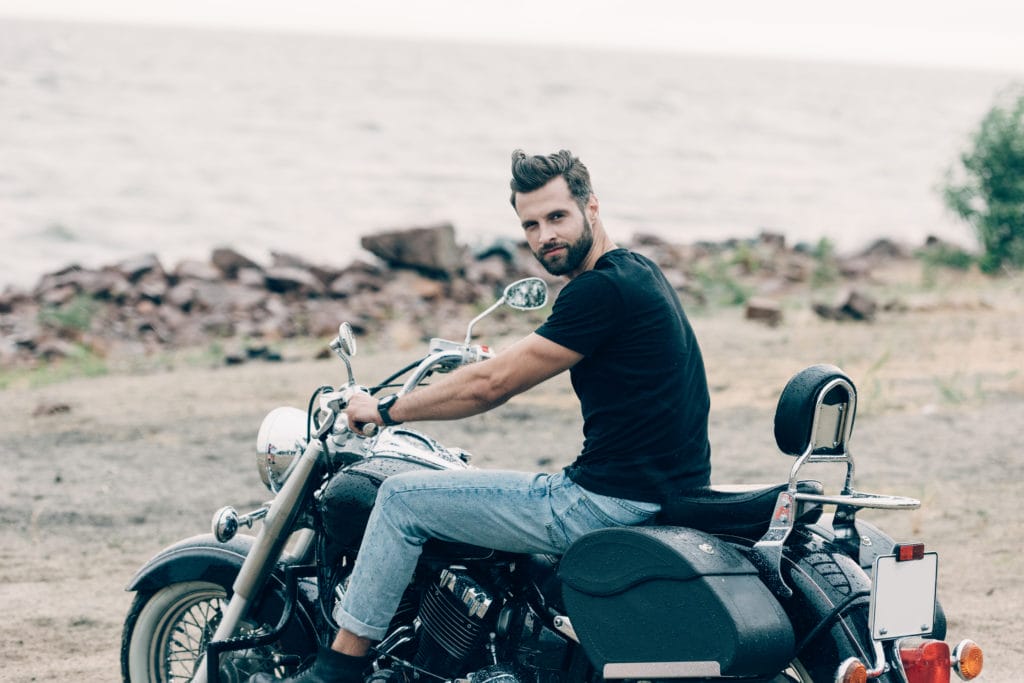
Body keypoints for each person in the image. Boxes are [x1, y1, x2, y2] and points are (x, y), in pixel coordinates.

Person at [249, 149, 711, 683]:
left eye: (556, 217)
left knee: (402, 500)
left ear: (592, 208)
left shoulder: (598, 291)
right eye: (530, 225)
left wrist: (385, 409)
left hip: (603, 501)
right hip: (662, 488)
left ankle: (337, 669)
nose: (544, 237)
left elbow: (492, 386)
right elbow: (524, 361)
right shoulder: (636, 273)